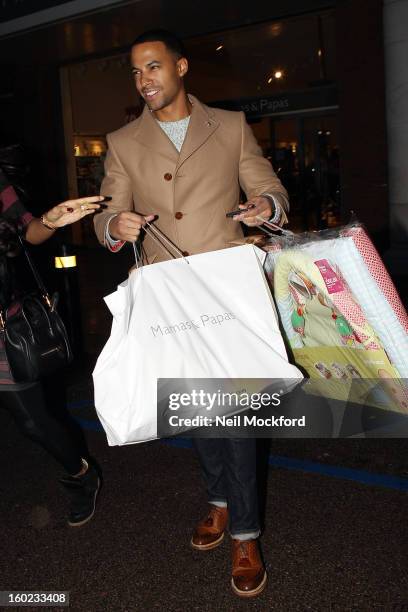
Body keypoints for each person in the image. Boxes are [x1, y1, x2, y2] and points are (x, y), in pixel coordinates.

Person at [94, 30, 289, 597]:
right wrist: (115, 226)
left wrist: (265, 205)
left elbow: (266, 182)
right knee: (197, 407)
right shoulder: (123, 140)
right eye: (135, 72)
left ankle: (246, 533)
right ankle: (220, 501)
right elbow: (107, 210)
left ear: (180, 67)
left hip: (227, 289)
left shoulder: (229, 126)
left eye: (153, 67)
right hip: (170, 295)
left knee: (237, 416)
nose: (144, 80)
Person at [0, 162, 103, 527]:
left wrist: (49, 221)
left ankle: (81, 475)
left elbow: (27, 231)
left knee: (32, 422)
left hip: (2, 326)